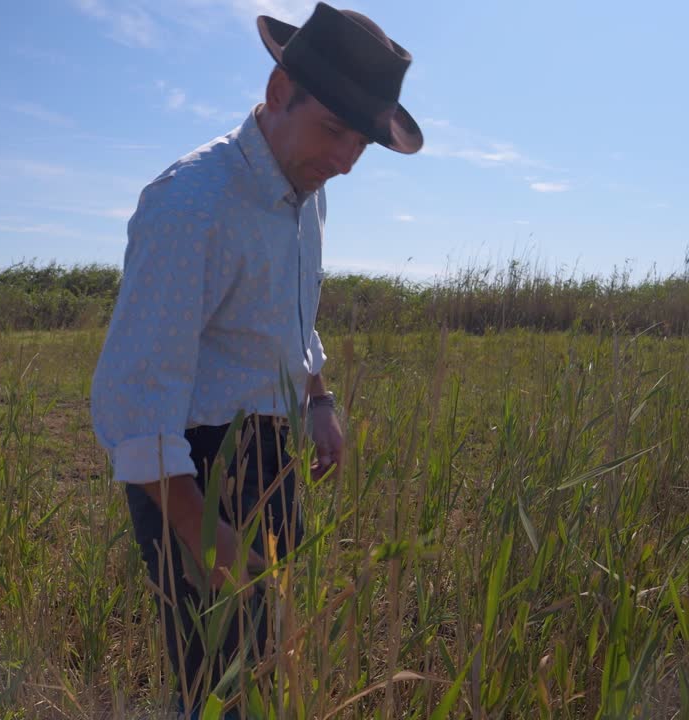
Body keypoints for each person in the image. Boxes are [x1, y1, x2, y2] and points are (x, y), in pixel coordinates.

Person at [90, 2, 423, 715]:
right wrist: (203, 535)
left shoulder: (306, 191)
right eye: (332, 128)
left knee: (264, 657)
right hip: (191, 471)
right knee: (213, 681)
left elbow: (289, 314)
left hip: (269, 455)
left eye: (359, 140)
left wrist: (318, 398)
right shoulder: (193, 204)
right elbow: (132, 402)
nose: (343, 160)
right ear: (278, 93)